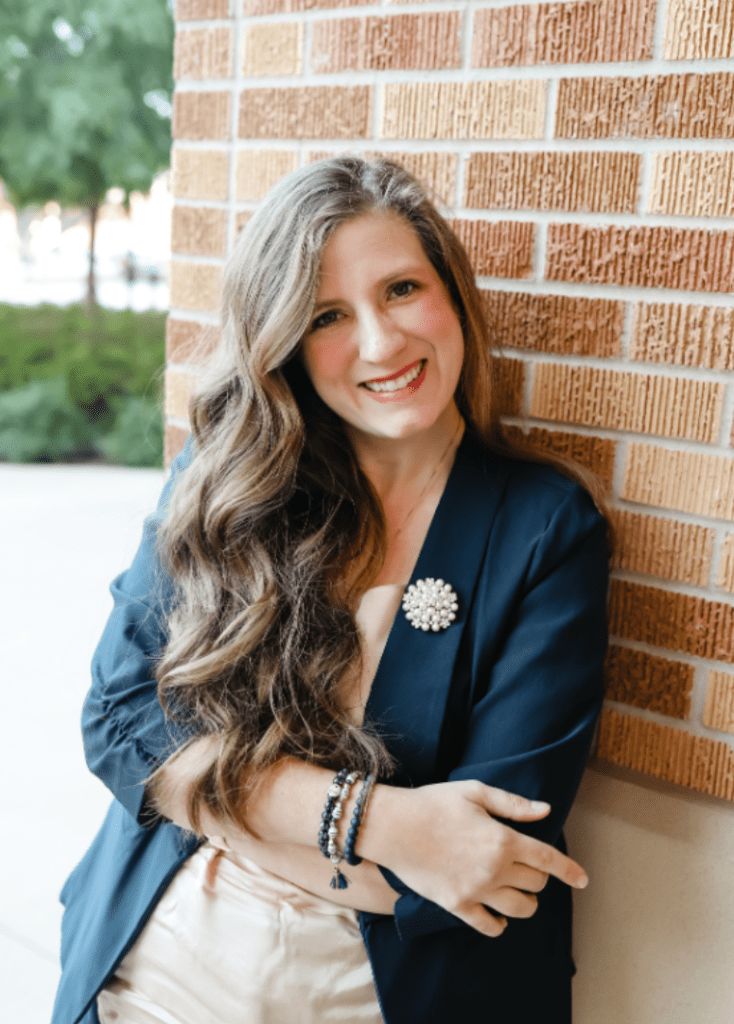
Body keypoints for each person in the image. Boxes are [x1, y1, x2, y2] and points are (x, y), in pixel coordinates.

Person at [52, 156, 610, 1024]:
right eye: (327, 316)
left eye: (401, 289)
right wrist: (378, 822)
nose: (381, 344)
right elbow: (120, 720)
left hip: (384, 997)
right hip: (151, 976)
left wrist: (211, 800)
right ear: (285, 343)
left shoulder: (545, 526)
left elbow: (487, 862)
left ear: (453, 295)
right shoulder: (229, 479)